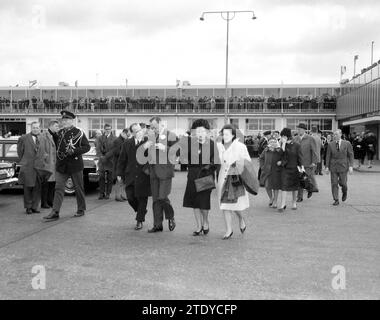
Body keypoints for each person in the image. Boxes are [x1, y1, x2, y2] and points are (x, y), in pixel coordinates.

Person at [43, 110, 90, 221]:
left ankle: (81, 209)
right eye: (63, 119)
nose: (64, 121)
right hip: (61, 165)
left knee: (78, 188)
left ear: (72, 120)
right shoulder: (59, 133)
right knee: (58, 188)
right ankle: (55, 212)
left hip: (75, 164)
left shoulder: (79, 132)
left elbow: (86, 147)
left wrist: (74, 151)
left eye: (67, 119)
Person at [180, 119, 218, 236]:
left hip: (206, 175)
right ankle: (198, 225)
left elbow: (216, 161)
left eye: (202, 131)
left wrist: (209, 166)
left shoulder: (212, 144)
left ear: (207, 132)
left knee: (203, 201)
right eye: (197, 131)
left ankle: (205, 221)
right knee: (194, 202)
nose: (199, 133)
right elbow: (183, 158)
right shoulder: (190, 143)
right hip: (192, 175)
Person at [216, 124, 251, 240]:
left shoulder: (240, 146)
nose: (224, 136)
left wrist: (237, 165)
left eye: (227, 134)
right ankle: (228, 230)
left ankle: (241, 219)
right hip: (222, 177)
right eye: (223, 134)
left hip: (236, 179)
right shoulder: (219, 146)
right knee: (224, 205)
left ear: (233, 135)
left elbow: (248, 161)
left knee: (236, 206)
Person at [145, 116, 178, 233]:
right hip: (153, 171)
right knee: (155, 200)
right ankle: (157, 225)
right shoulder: (152, 136)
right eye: (152, 127)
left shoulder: (171, 134)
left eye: (155, 127)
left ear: (160, 123)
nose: (153, 129)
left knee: (162, 197)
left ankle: (170, 216)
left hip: (165, 171)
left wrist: (166, 147)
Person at [117, 123, 151, 230]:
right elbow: (122, 159)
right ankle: (141, 211)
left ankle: (139, 220)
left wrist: (147, 171)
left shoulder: (148, 142)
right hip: (130, 175)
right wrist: (119, 173)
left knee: (142, 198)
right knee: (131, 198)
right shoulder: (127, 143)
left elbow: (152, 158)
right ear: (131, 133)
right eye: (136, 131)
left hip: (144, 175)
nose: (139, 132)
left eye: (140, 130)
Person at [17, 122, 50, 214]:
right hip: (28, 167)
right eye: (34, 128)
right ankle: (28, 207)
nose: (35, 129)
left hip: (39, 168)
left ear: (40, 129)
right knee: (28, 188)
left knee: (37, 188)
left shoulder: (43, 138)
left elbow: (45, 152)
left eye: (37, 128)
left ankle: (35, 207)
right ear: (31, 128)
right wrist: (25, 161)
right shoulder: (24, 138)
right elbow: (19, 152)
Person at [277, 128, 304, 212]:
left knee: (294, 187)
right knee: (284, 186)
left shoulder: (296, 145)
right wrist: (283, 145)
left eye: (284, 136)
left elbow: (300, 157)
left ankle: (294, 202)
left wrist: (302, 167)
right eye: (282, 136)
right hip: (285, 168)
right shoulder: (282, 144)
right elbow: (280, 154)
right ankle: (282, 205)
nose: (282, 137)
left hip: (294, 168)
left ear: (288, 136)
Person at [325, 129, 354, 206]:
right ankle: (336, 199)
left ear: (340, 134)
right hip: (333, 166)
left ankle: (344, 192)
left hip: (343, 166)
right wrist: (327, 167)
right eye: (334, 134)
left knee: (343, 183)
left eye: (336, 134)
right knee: (334, 183)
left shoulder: (347, 143)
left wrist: (351, 166)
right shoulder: (330, 144)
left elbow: (351, 155)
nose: (335, 136)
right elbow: (328, 156)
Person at [294, 123, 318, 202]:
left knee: (306, 179)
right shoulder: (295, 138)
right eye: (298, 129)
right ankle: (299, 197)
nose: (298, 130)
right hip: (298, 163)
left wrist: (314, 162)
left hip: (307, 163)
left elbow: (314, 151)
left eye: (300, 129)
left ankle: (310, 189)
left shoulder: (310, 138)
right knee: (299, 180)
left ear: (304, 130)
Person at [259, 136, 283, 208]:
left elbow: (284, 158)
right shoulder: (266, 150)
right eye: (271, 142)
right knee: (267, 186)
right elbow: (261, 158)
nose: (272, 143)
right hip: (267, 171)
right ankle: (271, 198)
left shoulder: (279, 150)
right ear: (268, 143)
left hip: (276, 171)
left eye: (274, 142)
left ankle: (275, 201)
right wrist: (262, 167)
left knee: (276, 187)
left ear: (276, 143)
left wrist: (281, 162)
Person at [40, 120, 59, 208]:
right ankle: (44, 203)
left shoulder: (55, 136)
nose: (57, 128)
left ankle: (50, 201)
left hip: (54, 164)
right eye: (56, 126)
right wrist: (45, 158)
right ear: (51, 126)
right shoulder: (44, 135)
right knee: (46, 184)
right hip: (47, 164)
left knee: (52, 184)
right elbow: (41, 149)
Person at [96, 123, 116, 200]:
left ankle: (108, 193)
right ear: (104, 129)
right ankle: (101, 193)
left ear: (111, 129)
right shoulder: (100, 138)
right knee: (101, 178)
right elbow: (98, 148)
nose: (108, 130)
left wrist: (106, 156)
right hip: (102, 161)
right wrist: (101, 156)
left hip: (110, 160)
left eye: (109, 129)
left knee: (110, 178)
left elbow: (114, 149)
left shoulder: (114, 138)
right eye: (106, 129)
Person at [112, 128, 129, 201]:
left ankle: (121, 195)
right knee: (119, 180)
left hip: (123, 163)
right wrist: (125, 153)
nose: (128, 136)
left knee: (122, 180)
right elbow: (116, 152)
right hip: (118, 163)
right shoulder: (117, 141)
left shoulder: (123, 140)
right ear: (123, 133)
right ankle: (117, 196)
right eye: (127, 135)